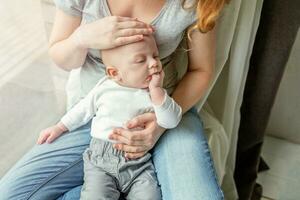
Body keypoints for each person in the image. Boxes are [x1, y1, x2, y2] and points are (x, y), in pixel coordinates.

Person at [0, 0, 229, 199]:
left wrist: (159, 124)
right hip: (98, 116)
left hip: (169, 108)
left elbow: (201, 70)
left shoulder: (195, 3)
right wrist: (83, 37)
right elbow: (62, 57)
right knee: (10, 194)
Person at [37, 35, 182, 200]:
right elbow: (82, 110)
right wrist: (59, 127)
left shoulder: (154, 94)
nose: (154, 63)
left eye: (155, 56)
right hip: (101, 161)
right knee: (95, 196)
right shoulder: (104, 88)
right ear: (115, 73)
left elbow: (171, 120)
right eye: (141, 60)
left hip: (138, 163)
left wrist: (157, 92)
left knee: (150, 196)